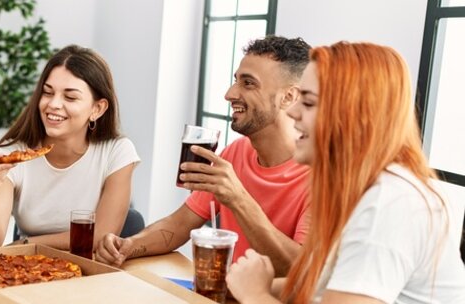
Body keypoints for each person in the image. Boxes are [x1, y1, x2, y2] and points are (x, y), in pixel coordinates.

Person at [227, 42, 465, 304]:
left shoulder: (392, 202)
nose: (293, 112)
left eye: (308, 103)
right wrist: (241, 287)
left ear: (351, 113)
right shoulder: (355, 191)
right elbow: (324, 288)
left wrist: (256, 296)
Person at [98, 36, 311, 275]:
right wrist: (129, 245)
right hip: (224, 301)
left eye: (248, 83)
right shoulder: (236, 152)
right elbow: (179, 225)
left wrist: (237, 198)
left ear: (289, 97)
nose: (230, 94)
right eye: (236, 81)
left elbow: (300, 271)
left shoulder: (322, 177)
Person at [0, 45, 139, 250]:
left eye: (70, 97)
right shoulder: (13, 155)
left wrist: (27, 243)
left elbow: (99, 236)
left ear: (97, 109)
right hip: (29, 270)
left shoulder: (117, 152)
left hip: (90, 268)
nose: (53, 104)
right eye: (47, 92)